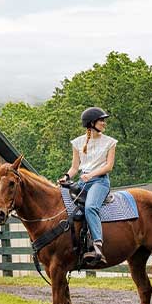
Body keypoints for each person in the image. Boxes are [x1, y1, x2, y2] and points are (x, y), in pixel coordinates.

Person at [58, 107, 116, 266]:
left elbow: (109, 166)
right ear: (92, 123)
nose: (104, 123)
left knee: (90, 207)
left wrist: (91, 175)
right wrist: (66, 177)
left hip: (100, 182)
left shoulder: (110, 142)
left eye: (104, 120)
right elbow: (75, 167)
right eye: (101, 120)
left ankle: (97, 246)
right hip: (83, 182)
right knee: (65, 206)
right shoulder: (77, 143)